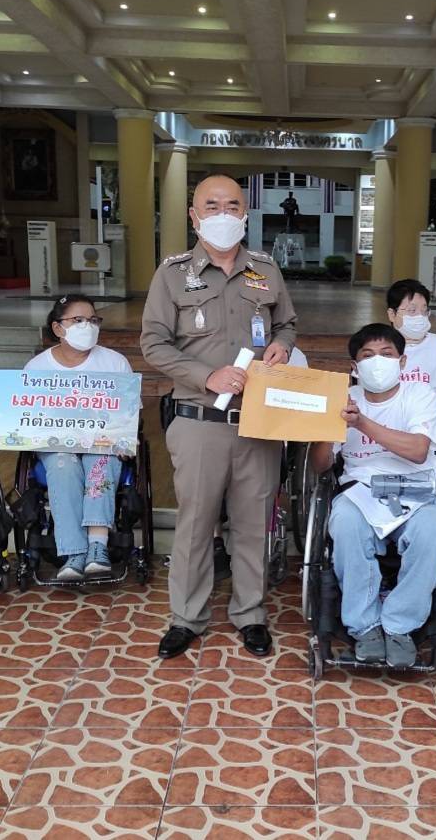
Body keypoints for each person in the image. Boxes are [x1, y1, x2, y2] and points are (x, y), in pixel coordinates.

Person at [141, 174, 297, 660]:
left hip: (258, 423)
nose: (223, 214)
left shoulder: (265, 270)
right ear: (194, 215)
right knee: (194, 525)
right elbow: (153, 344)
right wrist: (207, 376)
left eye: (232, 206)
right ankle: (186, 618)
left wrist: (281, 345)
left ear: (245, 213)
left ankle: (250, 614)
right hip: (198, 421)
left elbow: (287, 324)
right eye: (212, 206)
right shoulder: (172, 274)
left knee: (253, 524)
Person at [309, 323, 436, 668]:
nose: (377, 362)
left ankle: (400, 626)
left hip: (415, 489)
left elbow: (418, 451)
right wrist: (327, 427)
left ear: (402, 362)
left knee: (433, 530)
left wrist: (362, 424)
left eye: (387, 355)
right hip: (361, 491)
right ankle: (365, 626)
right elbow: (320, 465)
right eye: (368, 355)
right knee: (344, 522)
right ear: (355, 367)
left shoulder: (420, 396)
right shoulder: (344, 400)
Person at [25, 294, 133, 581]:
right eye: (78, 320)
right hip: (56, 445)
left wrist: (124, 439)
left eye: (93, 320)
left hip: (102, 442)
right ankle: (74, 552)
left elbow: (129, 413)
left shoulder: (115, 363)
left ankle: (98, 546)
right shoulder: (37, 368)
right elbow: (27, 416)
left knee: (100, 461)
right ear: (58, 327)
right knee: (64, 465)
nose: (88, 326)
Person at [212, 345, 309, 582]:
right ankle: (215, 540)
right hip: (220, 432)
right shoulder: (220, 346)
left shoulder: (293, 355)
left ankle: (250, 571)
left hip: (270, 438)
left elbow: (302, 403)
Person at [385, 279, 436, 432]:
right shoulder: (380, 346)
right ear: (392, 314)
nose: (420, 317)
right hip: (388, 427)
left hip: (429, 427)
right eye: (412, 311)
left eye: (424, 311)